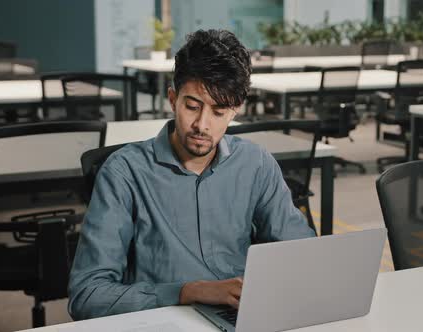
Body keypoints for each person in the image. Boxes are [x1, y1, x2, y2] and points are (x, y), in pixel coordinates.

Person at [68, 29, 315, 320]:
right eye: (192, 106)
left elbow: (303, 257)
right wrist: (188, 291)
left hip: (241, 315)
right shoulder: (124, 173)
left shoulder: (256, 164)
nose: (202, 125)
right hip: (162, 318)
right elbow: (88, 295)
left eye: (219, 111)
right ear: (173, 99)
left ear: (235, 111)